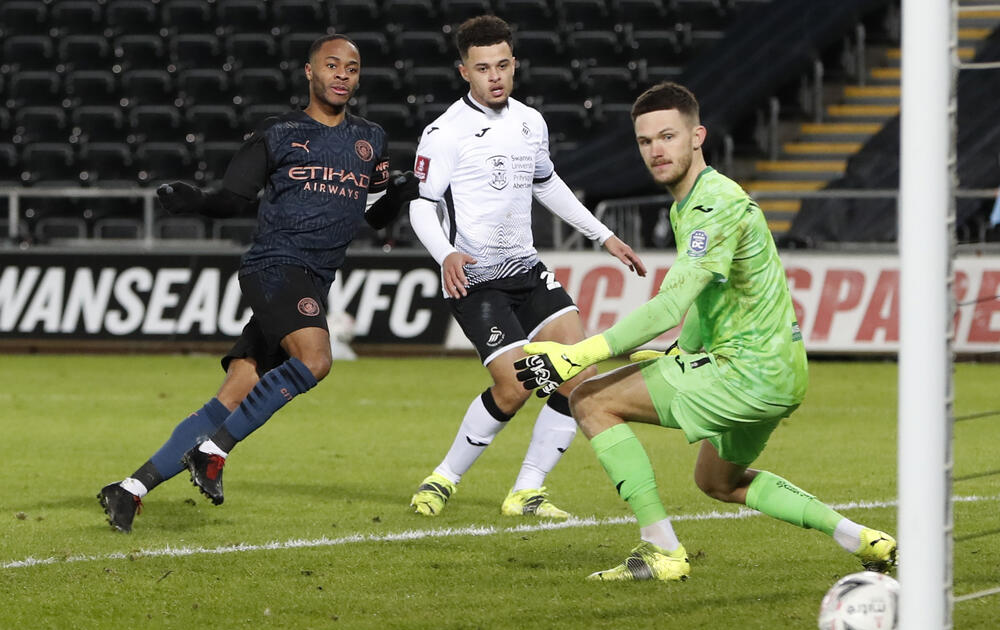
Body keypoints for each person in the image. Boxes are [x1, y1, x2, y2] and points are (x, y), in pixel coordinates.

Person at [514, 82, 897, 580]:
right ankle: (863, 538)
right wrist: (678, 351)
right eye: (645, 141)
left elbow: (671, 302)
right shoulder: (692, 202)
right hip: (779, 373)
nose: (656, 150)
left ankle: (662, 552)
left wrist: (581, 354)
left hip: (745, 371)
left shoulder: (712, 205)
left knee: (589, 399)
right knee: (717, 480)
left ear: (698, 136)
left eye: (667, 136)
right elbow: (703, 300)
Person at [98, 34, 419, 532]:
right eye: (331, 65)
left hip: (313, 278)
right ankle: (213, 452)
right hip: (274, 264)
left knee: (234, 393)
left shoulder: (371, 139)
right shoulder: (278, 132)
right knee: (315, 360)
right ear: (309, 72)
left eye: (351, 68)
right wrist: (195, 200)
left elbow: (376, 216)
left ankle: (129, 489)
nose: (341, 74)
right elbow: (233, 198)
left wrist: (398, 194)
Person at [407, 15, 646, 519]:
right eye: (482, 68)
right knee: (514, 387)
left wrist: (603, 235)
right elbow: (420, 205)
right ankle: (442, 480)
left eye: (502, 65)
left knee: (579, 372)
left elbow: (547, 183)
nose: (494, 76)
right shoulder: (445, 133)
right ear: (464, 72)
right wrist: (446, 253)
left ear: (514, 64)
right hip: (475, 277)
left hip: (526, 269)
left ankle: (526, 491)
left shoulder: (529, 122)